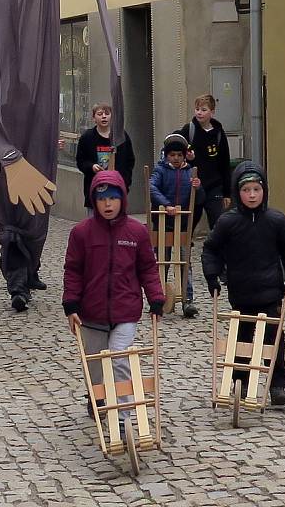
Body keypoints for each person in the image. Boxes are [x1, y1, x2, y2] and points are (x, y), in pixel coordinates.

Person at [63, 170, 164, 419]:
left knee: (119, 357)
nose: (108, 204)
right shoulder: (81, 233)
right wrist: (71, 305)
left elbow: (147, 268)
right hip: (91, 312)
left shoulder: (136, 232)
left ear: (122, 199)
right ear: (94, 201)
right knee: (96, 363)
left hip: (125, 310)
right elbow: (73, 270)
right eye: (102, 199)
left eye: (113, 198)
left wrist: (156, 298)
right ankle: (97, 396)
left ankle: (124, 413)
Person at [202, 163, 285, 406]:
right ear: (238, 193)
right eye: (247, 190)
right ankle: (240, 381)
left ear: (264, 190)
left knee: (273, 339)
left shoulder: (276, 220)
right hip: (241, 292)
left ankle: (277, 384)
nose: (252, 195)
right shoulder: (228, 222)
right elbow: (210, 250)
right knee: (241, 339)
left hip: (270, 291)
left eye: (256, 189)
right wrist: (212, 277)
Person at [149, 133, 202, 318]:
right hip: (163, 221)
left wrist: (197, 187)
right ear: (166, 155)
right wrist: (166, 205)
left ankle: (187, 300)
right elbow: (153, 188)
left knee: (184, 261)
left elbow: (199, 198)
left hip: (183, 223)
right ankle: (157, 299)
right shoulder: (160, 170)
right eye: (172, 155)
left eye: (179, 155)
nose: (176, 158)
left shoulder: (190, 172)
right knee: (161, 262)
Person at [179, 94, 232, 233]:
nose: (199, 113)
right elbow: (175, 151)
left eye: (203, 110)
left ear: (212, 112)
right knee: (188, 226)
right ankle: (184, 253)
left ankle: (219, 253)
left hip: (214, 186)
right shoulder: (188, 130)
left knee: (218, 225)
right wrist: (188, 158)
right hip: (193, 186)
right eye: (197, 109)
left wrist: (227, 193)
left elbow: (224, 163)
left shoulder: (219, 133)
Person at [76, 103, 135, 216]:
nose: (104, 116)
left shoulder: (121, 136)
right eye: (100, 114)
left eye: (107, 114)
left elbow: (129, 161)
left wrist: (125, 182)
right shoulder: (87, 138)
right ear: (94, 118)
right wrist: (91, 166)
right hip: (95, 190)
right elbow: (80, 161)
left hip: (117, 189)